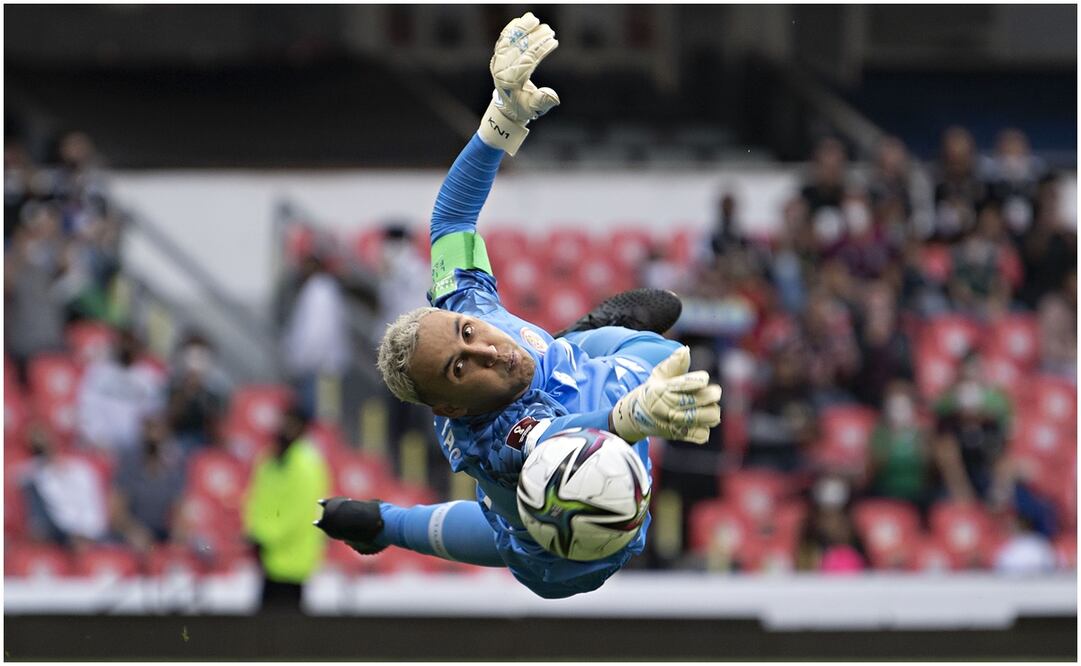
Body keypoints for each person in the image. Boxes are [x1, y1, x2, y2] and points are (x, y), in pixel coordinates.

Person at [316, 13, 722, 600]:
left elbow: (450, 219)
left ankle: (381, 524)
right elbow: (562, 440)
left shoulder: (467, 306)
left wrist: (500, 119)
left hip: (567, 411)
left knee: (635, 337)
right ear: (450, 406)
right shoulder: (492, 437)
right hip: (567, 546)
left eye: (465, 331)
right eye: (461, 366)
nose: (484, 347)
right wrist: (632, 417)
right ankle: (391, 523)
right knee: (644, 376)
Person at [243, 400, 331, 613]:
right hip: (269, 558)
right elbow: (255, 498)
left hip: (292, 559)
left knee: (286, 625)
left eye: (291, 424)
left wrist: (264, 536)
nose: (284, 428)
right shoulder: (269, 458)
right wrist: (255, 532)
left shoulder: (306, 465)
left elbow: (300, 511)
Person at [109, 416, 188, 553]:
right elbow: (117, 514)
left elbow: (179, 508)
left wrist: (179, 533)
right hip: (131, 533)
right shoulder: (129, 468)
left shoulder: (174, 470)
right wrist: (133, 531)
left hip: (161, 534)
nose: (154, 439)